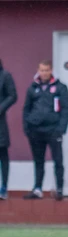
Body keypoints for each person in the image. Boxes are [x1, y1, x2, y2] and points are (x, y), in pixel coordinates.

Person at [23, 59, 68, 201]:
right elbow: (26, 108)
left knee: (58, 160)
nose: (43, 73)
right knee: (38, 161)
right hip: (36, 130)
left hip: (53, 130)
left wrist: (61, 129)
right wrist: (27, 127)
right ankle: (37, 189)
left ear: (51, 70)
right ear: (38, 71)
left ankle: (60, 189)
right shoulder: (32, 87)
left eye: (46, 70)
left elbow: (66, 109)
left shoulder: (60, 87)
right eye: (41, 70)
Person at [0, 59, 18, 200]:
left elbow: (12, 96)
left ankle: (4, 187)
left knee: (3, 154)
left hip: (0, 123)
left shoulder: (5, 76)